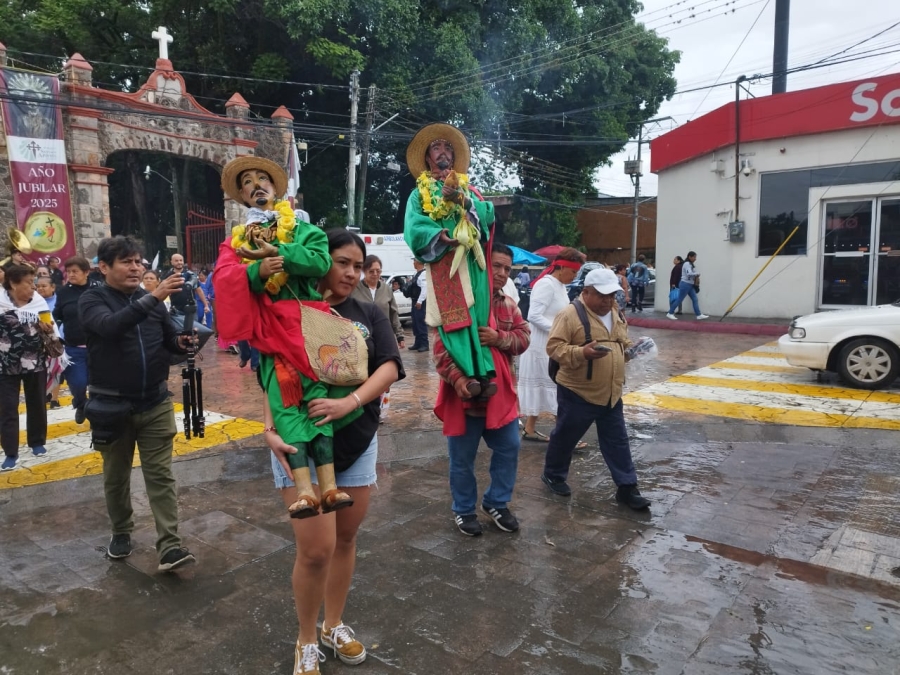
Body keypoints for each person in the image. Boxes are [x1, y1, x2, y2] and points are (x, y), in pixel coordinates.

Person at [263, 229, 403, 674]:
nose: (350, 272)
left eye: (358, 266)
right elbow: (270, 367)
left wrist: (350, 401)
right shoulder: (287, 306)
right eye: (342, 262)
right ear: (320, 260)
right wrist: (269, 428)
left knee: (344, 538)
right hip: (297, 444)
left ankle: (333, 623)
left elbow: (390, 365)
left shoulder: (367, 311)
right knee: (316, 549)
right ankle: (306, 636)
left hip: (357, 439)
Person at [213, 155, 352, 520]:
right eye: (248, 183)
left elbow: (321, 261)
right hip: (272, 334)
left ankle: (331, 486)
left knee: (319, 407)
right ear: (243, 196)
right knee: (288, 410)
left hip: (308, 328)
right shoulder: (236, 241)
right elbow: (224, 279)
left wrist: (282, 254)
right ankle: (306, 493)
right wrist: (258, 270)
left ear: (276, 188)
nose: (257, 185)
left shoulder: (301, 226)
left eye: (263, 179)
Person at [79, 236, 196, 571]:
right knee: (116, 477)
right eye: (126, 262)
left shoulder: (151, 301)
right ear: (104, 267)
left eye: (139, 261)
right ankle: (121, 530)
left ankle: (170, 547)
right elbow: (111, 328)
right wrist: (155, 297)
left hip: (155, 402)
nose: (136, 267)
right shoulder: (92, 300)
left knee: (160, 475)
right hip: (111, 408)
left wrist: (181, 341)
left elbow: (168, 338)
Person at [433, 243, 530, 536]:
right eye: (496, 266)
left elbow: (524, 338)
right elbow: (441, 350)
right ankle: (463, 510)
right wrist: (460, 381)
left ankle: (496, 503)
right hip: (465, 398)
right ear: (483, 264)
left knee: (510, 447)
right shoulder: (460, 303)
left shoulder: (508, 304)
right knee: (462, 459)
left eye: (507, 269)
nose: (501, 273)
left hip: (500, 397)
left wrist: (498, 337)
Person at [540, 268, 651, 511]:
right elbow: (555, 348)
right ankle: (553, 474)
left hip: (611, 392)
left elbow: (623, 343)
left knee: (618, 440)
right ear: (586, 292)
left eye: (611, 295)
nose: (607, 300)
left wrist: (634, 350)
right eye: (602, 295)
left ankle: (627, 487)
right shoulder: (569, 315)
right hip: (578, 392)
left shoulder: (616, 313)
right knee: (566, 436)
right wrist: (582, 353)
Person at [404, 123, 496, 397]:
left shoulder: (470, 188)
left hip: (472, 262)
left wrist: (464, 201)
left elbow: (488, 214)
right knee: (453, 318)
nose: (442, 152)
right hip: (445, 263)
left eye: (447, 147)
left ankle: (485, 369)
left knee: (477, 315)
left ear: (454, 157)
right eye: (436, 147)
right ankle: (465, 374)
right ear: (427, 157)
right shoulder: (418, 193)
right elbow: (413, 226)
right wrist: (439, 234)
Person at [518, 247, 586, 443]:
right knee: (555, 390)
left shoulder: (559, 285)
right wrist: (559, 330)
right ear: (562, 267)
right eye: (573, 272)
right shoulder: (546, 285)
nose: (574, 277)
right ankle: (567, 438)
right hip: (541, 346)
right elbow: (533, 316)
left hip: (550, 344)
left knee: (546, 388)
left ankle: (529, 429)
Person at [0, 264, 52, 470]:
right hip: (5, 364)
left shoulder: (38, 302)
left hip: (35, 362)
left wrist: (47, 328)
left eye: (34, 282)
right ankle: (11, 452)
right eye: (29, 283)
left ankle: (37, 442)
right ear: (13, 283)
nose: (34, 287)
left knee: (37, 403)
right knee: (7, 408)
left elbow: (51, 327)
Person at [351, 255, 405, 422]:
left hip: (383, 337)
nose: (375, 274)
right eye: (371, 271)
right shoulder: (355, 289)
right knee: (363, 374)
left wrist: (399, 335)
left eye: (378, 271)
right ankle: (363, 406)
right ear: (364, 271)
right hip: (360, 339)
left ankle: (382, 411)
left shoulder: (386, 289)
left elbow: (393, 313)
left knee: (384, 375)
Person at [54, 257, 97, 424]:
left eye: (75, 271)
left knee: (97, 385)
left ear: (86, 272)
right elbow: (56, 315)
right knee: (78, 383)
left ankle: (96, 415)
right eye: (68, 272)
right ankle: (80, 403)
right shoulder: (63, 292)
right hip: (73, 348)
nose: (71, 275)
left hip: (97, 347)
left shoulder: (98, 289)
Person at [35, 276, 62, 409]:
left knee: (56, 370)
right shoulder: (34, 302)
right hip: (39, 343)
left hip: (57, 340)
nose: (40, 288)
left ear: (53, 287)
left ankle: (54, 399)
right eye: (38, 286)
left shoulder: (59, 301)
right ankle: (45, 393)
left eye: (44, 286)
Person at [162, 253, 210, 325]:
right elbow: (164, 291)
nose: (179, 262)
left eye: (181, 260)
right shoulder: (168, 276)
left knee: (193, 330)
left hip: (191, 308)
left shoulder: (190, 275)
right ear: (171, 262)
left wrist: (206, 305)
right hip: (176, 309)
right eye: (176, 261)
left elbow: (199, 290)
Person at [667, 251, 709, 321]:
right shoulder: (687, 264)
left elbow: (691, 273)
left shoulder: (690, 264)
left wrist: (695, 274)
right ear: (690, 257)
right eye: (694, 257)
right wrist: (697, 273)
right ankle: (670, 313)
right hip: (685, 284)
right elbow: (689, 273)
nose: (695, 259)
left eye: (695, 257)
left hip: (689, 284)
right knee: (680, 299)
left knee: (695, 299)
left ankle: (698, 314)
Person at [405, 258, 428, 351]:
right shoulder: (416, 274)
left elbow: (424, 289)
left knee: (420, 322)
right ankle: (418, 343)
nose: (413, 263)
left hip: (420, 302)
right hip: (415, 301)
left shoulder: (423, 274)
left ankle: (424, 344)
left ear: (418, 262)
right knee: (415, 323)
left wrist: (420, 301)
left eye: (414, 261)